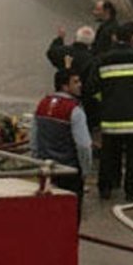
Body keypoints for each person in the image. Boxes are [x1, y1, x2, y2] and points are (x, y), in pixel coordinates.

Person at [89, 22, 133, 202]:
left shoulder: (102, 60)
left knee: (108, 155)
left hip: (111, 118)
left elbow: (92, 88)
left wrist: (106, 101)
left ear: (114, 38)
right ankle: (131, 193)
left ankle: (106, 189)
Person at [31, 70, 93, 225]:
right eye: (76, 82)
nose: (80, 85)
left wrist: (37, 163)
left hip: (46, 170)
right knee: (70, 219)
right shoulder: (74, 110)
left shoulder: (42, 104)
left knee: (47, 216)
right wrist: (85, 171)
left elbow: (33, 139)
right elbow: (84, 145)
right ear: (65, 86)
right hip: (69, 171)